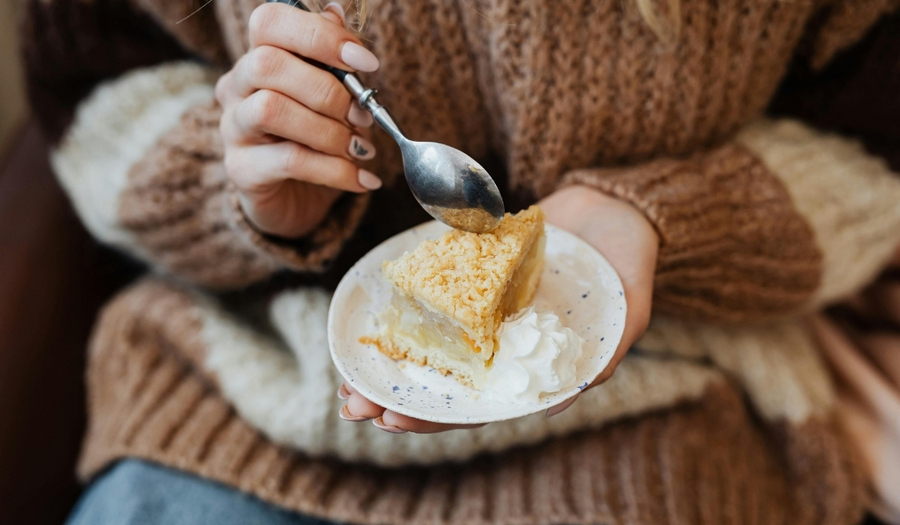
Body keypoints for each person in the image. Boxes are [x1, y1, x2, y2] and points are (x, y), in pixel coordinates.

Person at [19, 0, 900, 523]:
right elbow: (96, 82)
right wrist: (240, 181)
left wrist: (665, 218)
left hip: (667, 389)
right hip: (246, 379)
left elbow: (875, 135)